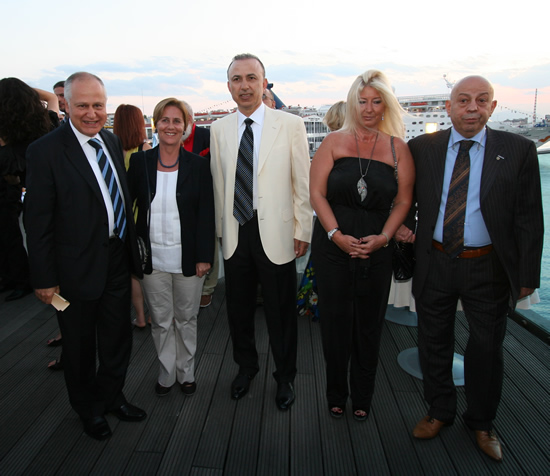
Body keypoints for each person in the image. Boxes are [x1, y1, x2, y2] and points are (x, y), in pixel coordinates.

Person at [407, 75, 543, 462]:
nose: (472, 108)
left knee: (486, 348)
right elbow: (405, 199)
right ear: (449, 107)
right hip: (435, 262)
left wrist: (527, 277)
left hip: (488, 267)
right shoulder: (422, 148)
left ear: (492, 107)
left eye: (482, 100)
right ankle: (439, 411)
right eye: (464, 100)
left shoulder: (518, 150)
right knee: (433, 342)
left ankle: (482, 422)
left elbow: (529, 217)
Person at [24, 72, 146, 441]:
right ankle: (88, 410)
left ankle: (112, 396)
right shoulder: (44, 151)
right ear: (66, 105)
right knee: (78, 346)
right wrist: (44, 279)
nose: (92, 113)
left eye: (98, 105)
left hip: (116, 259)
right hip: (71, 271)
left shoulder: (110, 140)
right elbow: (38, 222)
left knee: (117, 337)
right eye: (82, 106)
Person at [309, 70, 414, 421]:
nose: (368, 109)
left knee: (369, 325)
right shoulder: (333, 142)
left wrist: (384, 237)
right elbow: (316, 194)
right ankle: (336, 393)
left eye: (376, 101)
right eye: (362, 101)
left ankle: (363, 395)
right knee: (334, 323)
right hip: (332, 249)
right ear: (353, 104)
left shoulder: (398, 149)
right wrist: (335, 235)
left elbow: (403, 201)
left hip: (377, 251)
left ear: (386, 105)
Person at [210, 53, 312, 410]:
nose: (244, 86)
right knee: (238, 310)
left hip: (278, 233)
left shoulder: (290, 124)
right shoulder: (219, 129)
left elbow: (302, 182)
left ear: (264, 83)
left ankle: (285, 377)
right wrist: (220, 233)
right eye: (237, 79)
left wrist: (303, 229)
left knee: (281, 312)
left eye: (251, 78)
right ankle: (246, 368)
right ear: (228, 87)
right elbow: (219, 184)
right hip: (235, 231)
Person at [127, 97, 214, 398]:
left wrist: (204, 256)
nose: (171, 126)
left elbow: (206, 213)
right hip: (151, 261)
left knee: (187, 319)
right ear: (156, 124)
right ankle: (166, 373)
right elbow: (125, 206)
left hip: (188, 259)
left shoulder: (199, 166)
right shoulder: (140, 163)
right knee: (162, 321)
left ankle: (186, 372)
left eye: (177, 121)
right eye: (165, 120)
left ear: (186, 127)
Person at [0, 78, 59, 302]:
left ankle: (54, 301)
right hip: (64, 200)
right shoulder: (49, 126)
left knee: (38, 251)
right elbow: (51, 97)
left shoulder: (9, 148)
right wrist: (22, 90)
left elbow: (12, 177)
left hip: (36, 206)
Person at [113, 104, 152, 328]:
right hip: (140, 217)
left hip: (119, 218)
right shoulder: (145, 149)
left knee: (131, 272)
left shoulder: (111, 150)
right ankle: (153, 314)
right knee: (146, 266)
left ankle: (139, 317)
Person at [181, 100, 218, 308]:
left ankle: (208, 288)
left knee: (208, 243)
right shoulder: (170, 138)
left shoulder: (207, 136)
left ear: (190, 119)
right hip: (182, 203)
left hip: (206, 198)